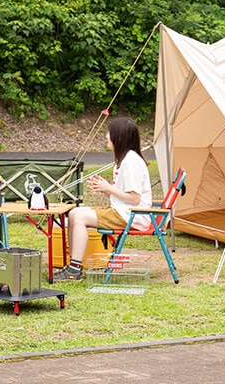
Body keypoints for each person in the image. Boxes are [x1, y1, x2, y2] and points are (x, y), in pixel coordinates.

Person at [54, 117, 152, 281]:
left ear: (118, 137)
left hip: (133, 215)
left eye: (109, 133)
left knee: (79, 217)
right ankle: (73, 265)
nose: (107, 136)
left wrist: (108, 188)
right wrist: (105, 189)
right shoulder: (124, 159)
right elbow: (123, 196)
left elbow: (135, 199)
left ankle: (74, 270)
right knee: (74, 213)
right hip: (123, 211)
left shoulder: (131, 161)